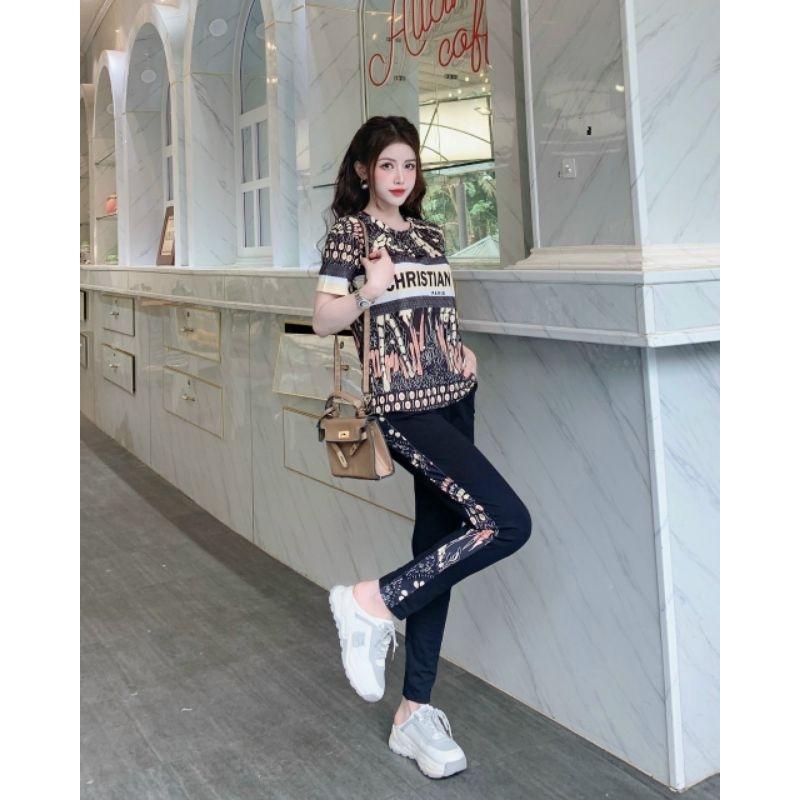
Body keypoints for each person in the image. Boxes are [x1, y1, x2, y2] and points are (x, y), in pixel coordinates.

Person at [312, 115, 532, 780]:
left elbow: (435, 313)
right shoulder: (352, 233)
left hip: (455, 396)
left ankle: (414, 711)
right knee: (506, 522)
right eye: (387, 165)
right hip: (403, 407)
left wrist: (460, 351)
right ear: (364, 171)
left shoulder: (430, 233)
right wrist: (367, 289)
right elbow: (323, 318)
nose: (400, 177)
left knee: (439, 546)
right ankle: (371, 602)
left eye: (409, 165)